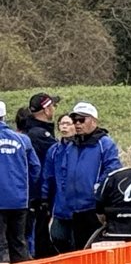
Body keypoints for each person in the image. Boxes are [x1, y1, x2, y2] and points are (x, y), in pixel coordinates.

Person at [41, 102, 122, 253]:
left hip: (94, 208)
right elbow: (64, 172)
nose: (77, 123)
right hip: (74, 208)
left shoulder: (104, 143)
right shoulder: (72, 145)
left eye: (81, 120)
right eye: (75, 120)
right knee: (75, 249)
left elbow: (112, 170)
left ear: (94, 121)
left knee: (93, 250)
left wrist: (98, 191)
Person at [0, 101, 41, 261]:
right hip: (19, 200)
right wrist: (25, 189)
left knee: (1, 245)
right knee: (19, 242)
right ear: (4, 117)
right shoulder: (23, 140)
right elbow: (35, 168)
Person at [21, 92, 57, 257]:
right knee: (39, 238)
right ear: (46, 109)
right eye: (52, 106)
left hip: (33, 194)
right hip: (40, 196)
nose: (54, 109)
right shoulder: (41, 135)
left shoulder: (29, 132)